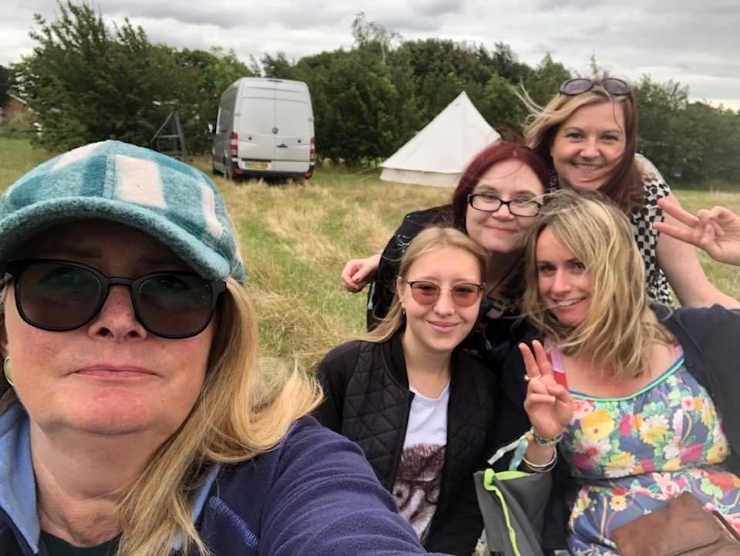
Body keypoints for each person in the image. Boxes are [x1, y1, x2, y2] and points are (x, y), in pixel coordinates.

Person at [0, 140, 450, 556]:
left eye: (172, 287)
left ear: (221, 334)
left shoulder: (286, 474)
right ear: (4, 327)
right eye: (63, 282)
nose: (118, 322)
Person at [511, 189, 740, 554]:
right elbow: (519, 497)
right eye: (546, 269)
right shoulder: (535, 363)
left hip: (723, 539)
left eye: (578, 265)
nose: (558, 286)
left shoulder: (700, 336)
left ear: (616, 264)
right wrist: (544, 439)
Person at [317, 226, 561, 555]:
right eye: (426, 289)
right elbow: (314, 482)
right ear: (401, 290)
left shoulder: (484, 389)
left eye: (463, 292)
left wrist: (544, 439)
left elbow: (468, 507)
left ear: (480, 297)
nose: (444, 308)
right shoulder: (344, 369)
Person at [522, 76, 740, 309]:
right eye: (575, 135)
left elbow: (700, 297)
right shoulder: (529, 194)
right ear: (552, 142)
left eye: (609, 137)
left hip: (641, 334)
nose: (590, 151)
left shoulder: (651, 199)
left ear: (627, 148)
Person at [341, 141, 550, 364]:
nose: (503, 212)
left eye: (523, 200)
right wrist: (383, 260)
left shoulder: (552, 278)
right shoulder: (412, 242)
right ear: (465, 201)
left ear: (545, 211)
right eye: (488, 196)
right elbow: (382, 338)